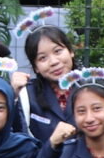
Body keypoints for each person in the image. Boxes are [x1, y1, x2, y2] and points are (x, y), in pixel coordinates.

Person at [11, 9, 75, 138]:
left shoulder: (90, 90)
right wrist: (13, 95)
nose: (54, 62)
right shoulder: (27, 95)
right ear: (35, 67)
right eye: (43, 58)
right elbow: (16, 133)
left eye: (57, 51)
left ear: (71, 51)